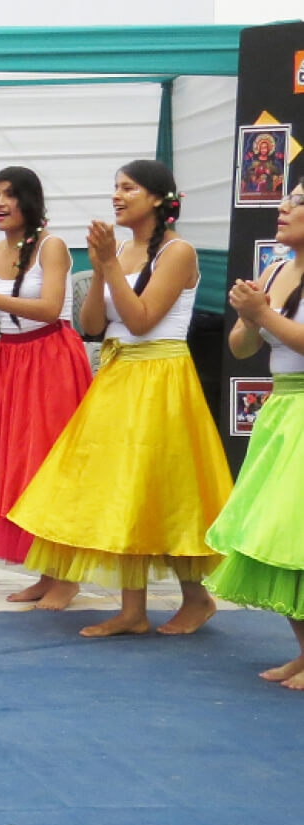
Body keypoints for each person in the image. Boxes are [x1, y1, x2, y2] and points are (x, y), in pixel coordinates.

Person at [10, 160, 230, 638]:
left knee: (164, 491)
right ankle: (134, 611)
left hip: (160, 377)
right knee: (123, 491)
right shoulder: (121, 252)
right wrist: (100, 265)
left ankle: (196, 599)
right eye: (115, 187)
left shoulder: (179, 251)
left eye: (128, 188)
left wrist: (108, 265)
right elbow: (92, 326)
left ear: (157, 198)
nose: (117, 195)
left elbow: (143, 320)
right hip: (118, 376)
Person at [0, 167, 92, 608]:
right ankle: (47, 571)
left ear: (29, 201)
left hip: (49, 357)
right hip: (9, 360)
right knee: (21, 469)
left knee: (53, 466)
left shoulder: (52, 246)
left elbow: (49, 308)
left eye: (9, 194)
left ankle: (68, 575)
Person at [205, 184, 304, 682]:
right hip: (282, 411)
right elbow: (243, 349)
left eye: (300, 201)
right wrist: (249, 318)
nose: (284, 207)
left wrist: (263, 314)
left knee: (298, 534)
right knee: (279, 534)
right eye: (286, 199)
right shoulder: (274, 269)